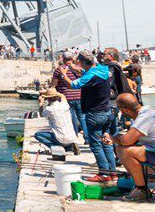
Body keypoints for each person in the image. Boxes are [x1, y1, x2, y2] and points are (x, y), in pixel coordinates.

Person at [71, 50, 117, 182]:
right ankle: (112, 173)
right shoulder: (103, 70)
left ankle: (103, 173)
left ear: (81, 62)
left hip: (95, 113)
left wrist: (65, 75)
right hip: (107, 111)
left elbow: (74, 85)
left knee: (96, 144)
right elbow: (89, 75)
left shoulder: (91, 76)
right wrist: (77, 69)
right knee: (106, 142)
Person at [106, 93, 155, 202]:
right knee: (121, 148)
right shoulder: (145, 113)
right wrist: (118, 138)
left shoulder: (144, 117)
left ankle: (142, 190)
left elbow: (127, 141)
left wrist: (113, 139)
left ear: (125, 110)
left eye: (120, 109)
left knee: (125, 151)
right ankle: (141, 184)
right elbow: (131, 138)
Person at [34, 88, 79, 153]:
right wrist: (54, 93)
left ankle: (58, 148)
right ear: (57, 97)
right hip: (72, 138)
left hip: (61, 139)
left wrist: (41, 103)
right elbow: (63, 96)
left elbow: (41, 114)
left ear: (48, 99)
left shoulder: (49, 109)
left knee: (37, 135)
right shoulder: (65, 104)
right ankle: (70, 147)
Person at [51, 52, 86, 137]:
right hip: (79, 96)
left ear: (63, 59)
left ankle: (74, 135)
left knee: (71, 118)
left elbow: (54, 84)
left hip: (65, 97)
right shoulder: (79, 69)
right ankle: (87, 138)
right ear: (72, 58)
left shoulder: (59, 69)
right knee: (82, 118)